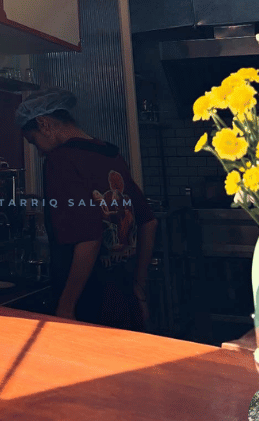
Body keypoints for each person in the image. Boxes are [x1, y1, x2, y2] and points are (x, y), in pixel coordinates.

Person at [15, 90, 157, 330]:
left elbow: (89, 238)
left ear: (44, 124)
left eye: (34, 141)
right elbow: (149, 222)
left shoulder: (61, 161)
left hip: (90, 304)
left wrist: (66, 306)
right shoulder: (109, 153)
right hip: (125, 298)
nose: (39, 152)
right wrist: (139, 289)